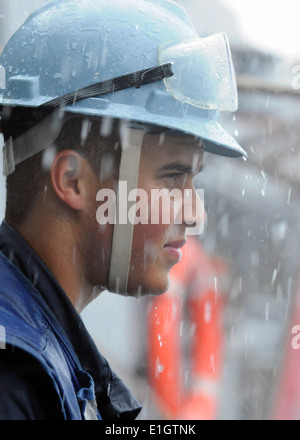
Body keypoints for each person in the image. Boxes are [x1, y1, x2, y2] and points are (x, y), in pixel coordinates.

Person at [0, 0, 246, 420]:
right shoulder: (16, 380)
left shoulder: (41, 354)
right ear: (73, 182)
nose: (195, 214)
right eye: (173, 176)